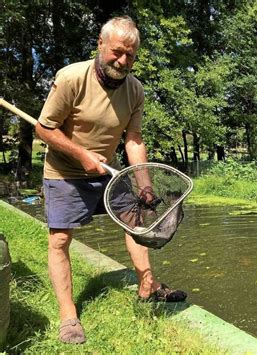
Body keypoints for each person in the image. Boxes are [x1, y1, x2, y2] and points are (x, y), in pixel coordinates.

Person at [35, 16, 186, 345]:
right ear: (101, 45)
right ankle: (68, 316)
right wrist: (82, 155)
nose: (123, 60)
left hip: (110, 171)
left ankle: (149, 284)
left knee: (136, 224)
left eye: (130, 55)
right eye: (117, 52)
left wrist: (144, 183)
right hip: (65, 172)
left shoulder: (135, 90)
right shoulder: (72, 78)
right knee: (60, 241)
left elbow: (133, 139)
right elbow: (44, 129)